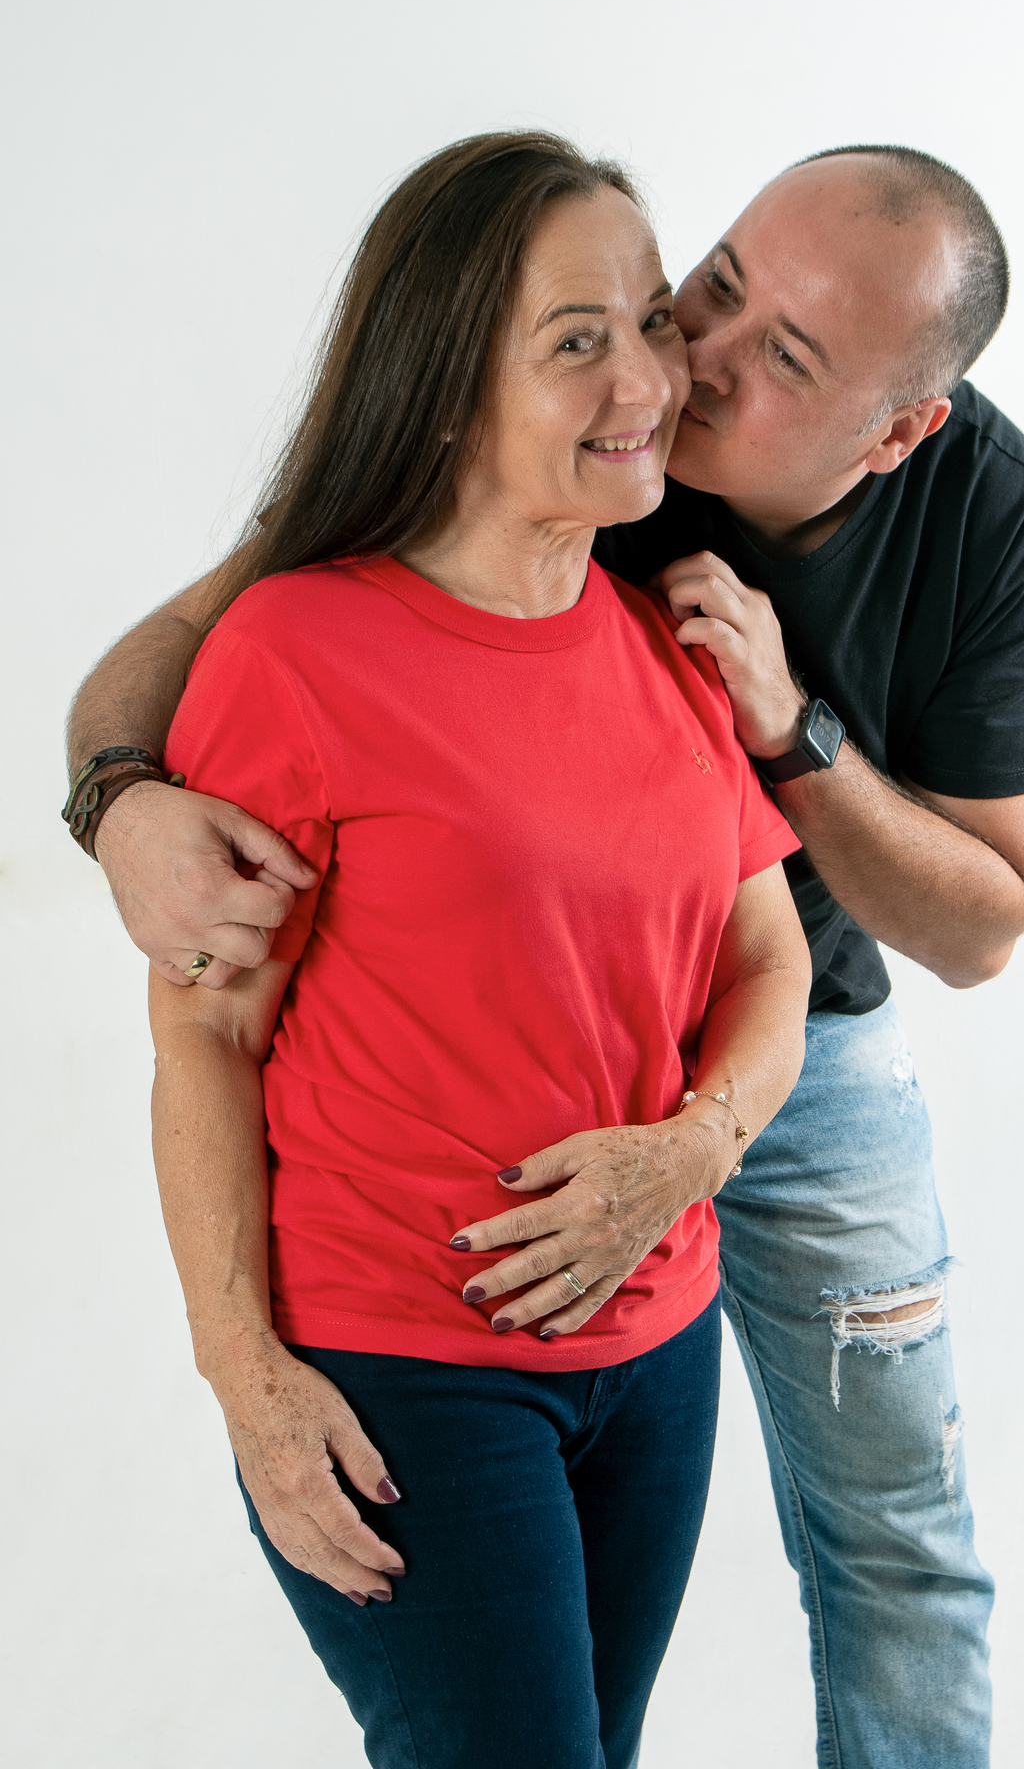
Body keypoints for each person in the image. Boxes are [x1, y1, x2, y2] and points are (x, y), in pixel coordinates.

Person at [66, 144, 1024, 1769]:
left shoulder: (966, 510)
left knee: (897, 1551)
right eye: (716, 290)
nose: (691, 367)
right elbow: (203, 658)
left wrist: (788, 741)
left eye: (785, 358)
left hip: (792, 1054)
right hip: (447, 1221)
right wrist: (121, 807)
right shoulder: (501, 486)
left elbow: (979, 926)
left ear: (897, 433)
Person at [112, 131, 812, 1769]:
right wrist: (241, 1375)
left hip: (656, 1359)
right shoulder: (296, 652)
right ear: (442, 389)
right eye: (579, 339)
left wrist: (689, 1152)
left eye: (650, 318)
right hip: (404, 1376)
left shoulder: (666, 640)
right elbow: (202, 1039)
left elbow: (766, 964)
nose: (650, 374)